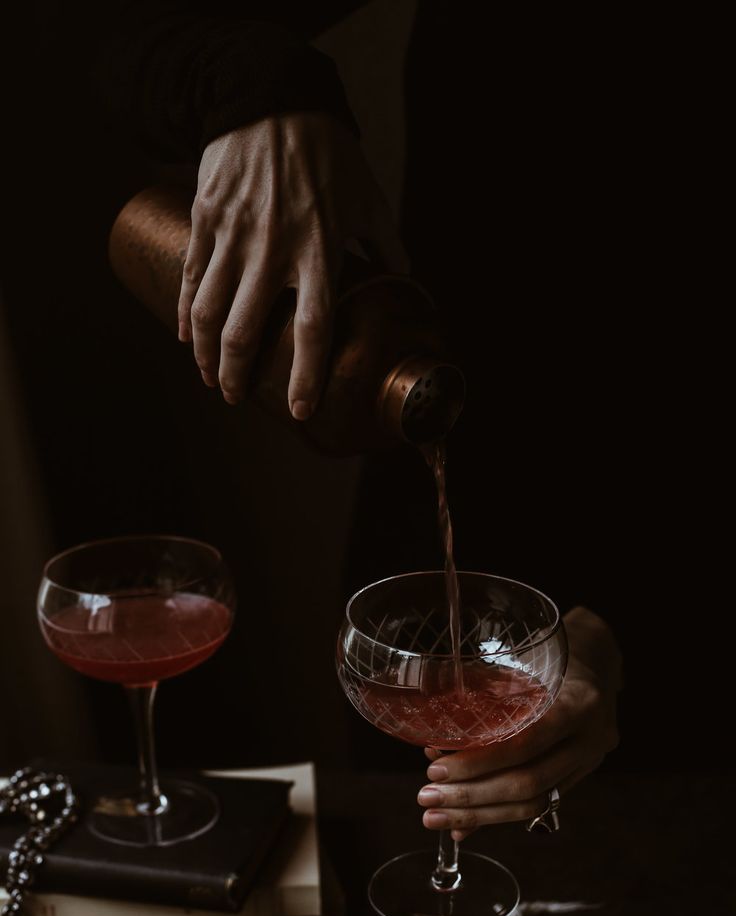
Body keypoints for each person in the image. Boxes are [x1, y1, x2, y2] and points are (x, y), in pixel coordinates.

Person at [6, 3, 664, 824]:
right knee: (408, 832)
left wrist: (628, 624)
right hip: (442, 502)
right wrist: (262, 87)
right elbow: (63, 29)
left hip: (676, 617)